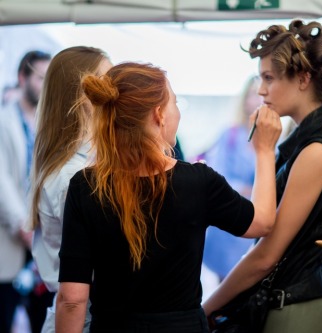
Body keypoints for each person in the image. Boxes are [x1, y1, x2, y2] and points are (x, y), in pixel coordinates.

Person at [55, 61, 282, 333]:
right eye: (175, 103)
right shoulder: (198, 182)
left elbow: (72, 299)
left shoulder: (85, 187)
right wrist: (265, 151)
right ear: (159, 114)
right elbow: (263, 222)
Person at [203, 19, 322, 333]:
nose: (261, 90)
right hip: (292, 303)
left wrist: (206, 308)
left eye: (268, 78)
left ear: (303, 78)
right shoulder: (306, 142)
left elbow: (267, 254)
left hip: (298, 309)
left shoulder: (318, 150)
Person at [29, 46, 113, 333]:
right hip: (79, 319)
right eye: (106, 80)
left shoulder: (88, 161)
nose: (115, 90)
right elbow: (76, 292)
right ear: (81, 95)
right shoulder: (72, 176)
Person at [0, 49, 52, 333]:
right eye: (41, 78)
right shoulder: (3, 120)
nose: (45, 86)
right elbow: (2, 180)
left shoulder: (49, 124)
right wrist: (24, 228)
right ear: (23, 77)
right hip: (11, 241)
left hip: (44, 242)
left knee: (43, 322)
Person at [201, 76, 261, 283]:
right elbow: (217, 173)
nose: (260, 98)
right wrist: (247, 189)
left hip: (258, 220)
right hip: (231, 220)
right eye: (254, 93)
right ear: (245, 99)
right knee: (225, 285)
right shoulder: (230, 135)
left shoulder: (278, 140)